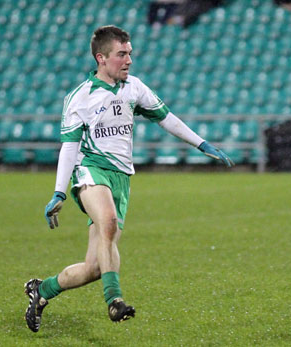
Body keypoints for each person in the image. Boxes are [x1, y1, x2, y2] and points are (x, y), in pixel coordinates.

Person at [24, 25, 234, 332]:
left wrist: (200, 143)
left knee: (95, 266)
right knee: (107, 221)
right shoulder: (79, 98)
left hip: (121, 178)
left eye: (130, 54)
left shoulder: (134, 88)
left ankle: (41, 291)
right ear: (102, 58)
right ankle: (114, 301)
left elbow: (167, 119)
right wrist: (59, 192)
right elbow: (69, 148)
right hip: (90, 171)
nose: (129, 60)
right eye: (122, 54)